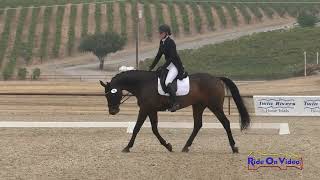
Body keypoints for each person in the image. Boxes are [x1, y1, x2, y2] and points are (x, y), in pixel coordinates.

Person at [149, 24, 184, 112]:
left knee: (168, 82)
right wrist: (151, 67)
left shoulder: (171, 42)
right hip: (169, 65)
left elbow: (172, 57)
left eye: (161, 33)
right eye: (159, 32)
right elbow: (158, 56)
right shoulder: (162, 42)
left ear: (166, 33)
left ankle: (175, 103)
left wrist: (164, 67)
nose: (159, 34)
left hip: (175, 66)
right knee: (159, 78)